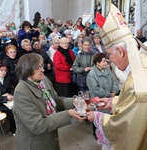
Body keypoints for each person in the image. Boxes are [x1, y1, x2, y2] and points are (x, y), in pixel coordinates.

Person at [87, 4, 147, 150]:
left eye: (110, 54)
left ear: (120, 51)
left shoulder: (139, 82)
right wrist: (111, 102)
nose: (110, 60)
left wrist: (98, 118)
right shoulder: (142, 65)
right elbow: (131, 103)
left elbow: (129, 123)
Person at [13, 53, 85, 150]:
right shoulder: (21, 92)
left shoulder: (43, 80)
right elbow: (38, 125)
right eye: (38, 68)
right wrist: (68, 114)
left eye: (42, 66)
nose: (43, 69)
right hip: (35, 144)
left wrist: (75, 102)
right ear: (28, 70)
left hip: (50, 138)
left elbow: (55, 100)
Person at [0, 64, 16, 136]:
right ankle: (13, 130)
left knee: (19, 107)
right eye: (1, 70)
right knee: (11, 113)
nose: (3, 72)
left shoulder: (7, 79)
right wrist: (5, 98)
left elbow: (11, 89)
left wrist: (11, 94)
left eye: (5, 70)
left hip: (9, 98)